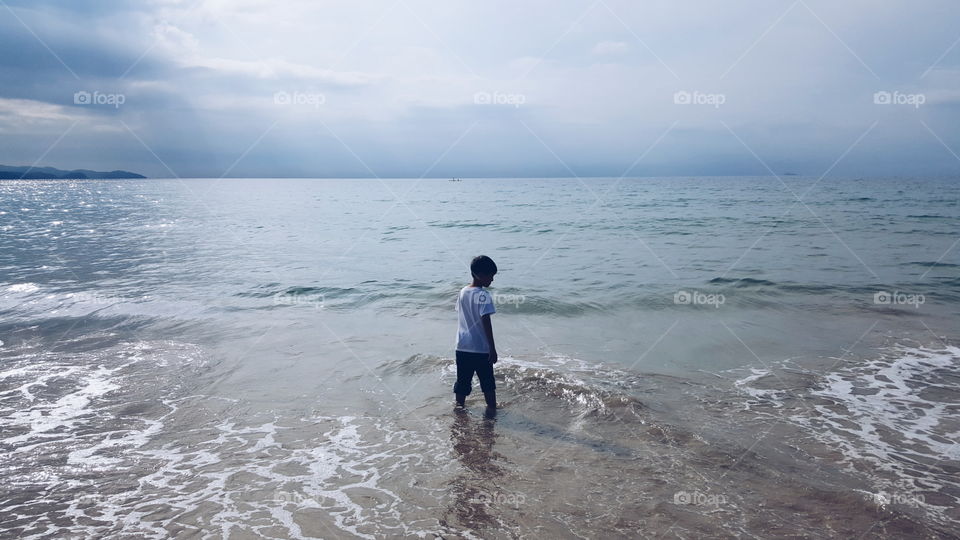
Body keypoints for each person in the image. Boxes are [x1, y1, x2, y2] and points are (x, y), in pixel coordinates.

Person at [454, 255, 498, 410]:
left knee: (462, 383)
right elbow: (486, 322)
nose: (492, 280)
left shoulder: (462, 292)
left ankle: (459, 409)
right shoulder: (483, 295)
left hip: (462, 347)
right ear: (479, 275)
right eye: (490, 276)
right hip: (480, 349)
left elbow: (461, 316)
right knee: (488, 384)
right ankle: (492, 410)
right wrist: (492, 349)